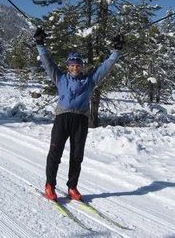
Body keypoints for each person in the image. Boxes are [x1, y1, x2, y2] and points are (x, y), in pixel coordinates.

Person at [34, 27, 125, 201]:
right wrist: (40, 44)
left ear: (81, 66)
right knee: (55, 153)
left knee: (77, 156)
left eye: (78, 65)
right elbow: (47, 62)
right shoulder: (60, 78)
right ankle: (50, 185)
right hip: (62, 119)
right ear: (68, 66)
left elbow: (105, 67)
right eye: (72, 65)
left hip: (81, 121)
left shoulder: (89, 80)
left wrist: (116, 51)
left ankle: (72, 187)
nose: (75, 68)